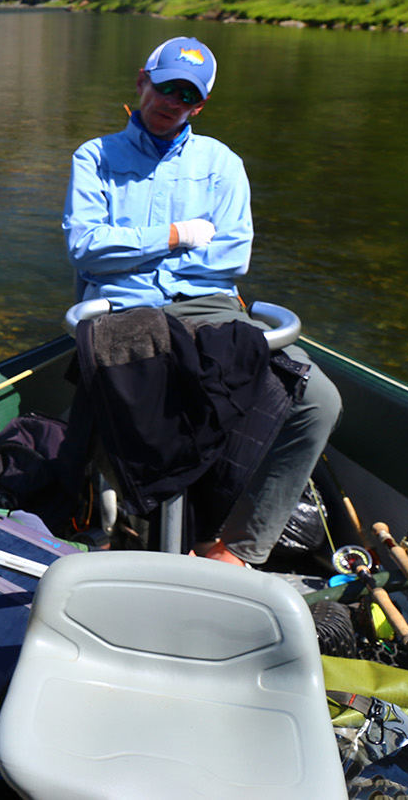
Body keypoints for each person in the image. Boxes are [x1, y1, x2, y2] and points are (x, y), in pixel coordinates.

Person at [63, 36, 342, 567]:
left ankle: (234, 550)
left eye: (187, 96)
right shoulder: (95, 158)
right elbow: (86, 249)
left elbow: (230, 258)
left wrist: (135, 251)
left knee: (317, 401)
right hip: (126, 313)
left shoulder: (223, 163)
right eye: (165, 86)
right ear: (142, 80)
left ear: (200, 105)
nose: (172, 101)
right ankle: (122, 530)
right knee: (145, 398)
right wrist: (175, 236)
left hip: (210, 309)